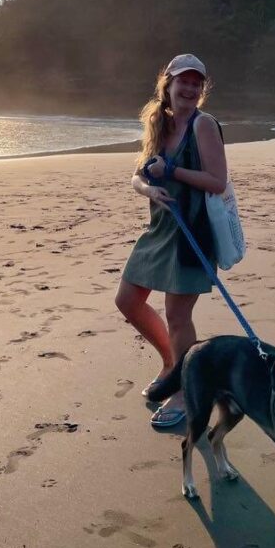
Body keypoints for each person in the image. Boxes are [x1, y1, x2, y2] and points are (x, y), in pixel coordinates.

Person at [114, 54, 228, 429]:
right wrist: (148, 187)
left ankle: (183, 390)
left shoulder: (204, 125)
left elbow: (217, 181)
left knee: (179, 315)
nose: (191, 89)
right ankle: (171, 364)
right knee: (128, 301)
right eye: (184, 81)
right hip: (160, 229)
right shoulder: (159, 123)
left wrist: (173, 171)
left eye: (198, 83)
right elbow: (137, 175)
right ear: (168, 84)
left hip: (192, 232)